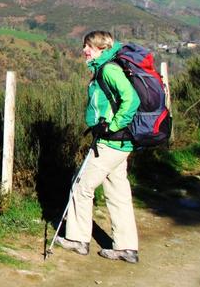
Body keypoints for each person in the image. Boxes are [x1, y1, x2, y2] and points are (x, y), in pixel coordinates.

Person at [55, 30, 140, 263]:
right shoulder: (107, 68)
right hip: (121, 143)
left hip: (110, 142)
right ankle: (126, 247)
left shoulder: (109, 70)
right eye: (85, 45)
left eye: (89, 46)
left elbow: (132, 100)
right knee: (117, 192)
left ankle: (77, 239)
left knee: (81, 185)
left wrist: (112, 126)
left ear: (102, 47)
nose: (85, 50)